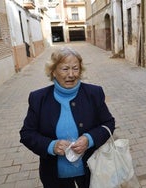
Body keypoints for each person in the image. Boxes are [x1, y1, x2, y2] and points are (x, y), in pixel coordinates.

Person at [20, 47, 115, 188]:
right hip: (54, 176)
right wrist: (51, 146)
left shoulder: (94, 93)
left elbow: (108, 123)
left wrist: (89, 139)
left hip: (92, 171)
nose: (71, 74)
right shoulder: (38, 98)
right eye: (65, 69)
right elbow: (27, 134)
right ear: (53, 71)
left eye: (75, 68)